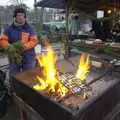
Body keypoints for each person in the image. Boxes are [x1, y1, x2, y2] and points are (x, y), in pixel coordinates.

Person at [0, 8, 38, 77]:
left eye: (22, 15)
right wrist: (9, 47)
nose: (21, 17)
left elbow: (34, 41)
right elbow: (2, 40)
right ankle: (15, 86)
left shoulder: (30, 28)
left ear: (25, 17)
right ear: (15, 17)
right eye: (18, 15)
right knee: (14, 76)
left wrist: (25, 46)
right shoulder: (9, 29)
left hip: (28, 56)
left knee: (28, 75)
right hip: (14, 56)